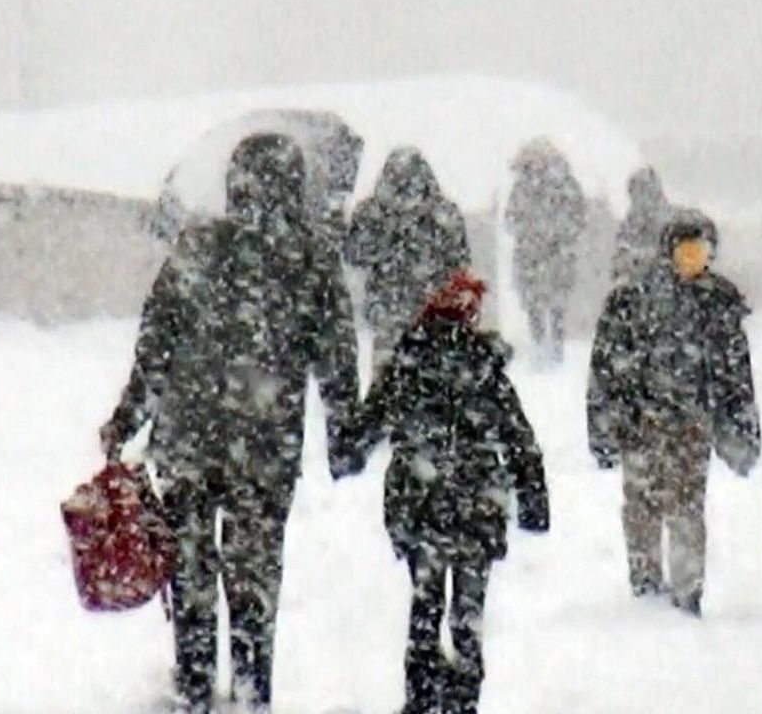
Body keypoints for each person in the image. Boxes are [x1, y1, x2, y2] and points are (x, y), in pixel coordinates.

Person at [100, 133, 360, 713]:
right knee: (253, 580)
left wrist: (128, 417)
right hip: (266, 448)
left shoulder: (197, 247)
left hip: (189, 444)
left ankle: (194, 689)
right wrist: (343, 433)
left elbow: (156, 346)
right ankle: (250, 693)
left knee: (191, 576)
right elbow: (336, 358)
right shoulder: (311, 262)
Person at [340, 269, 550, 714]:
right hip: (478, 507)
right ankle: (462, 700)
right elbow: (518, 437)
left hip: (420, 507)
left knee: (425, 606)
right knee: (468, 616)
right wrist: (533, 498)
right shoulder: (484, 366)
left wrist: (347, 453)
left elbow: (365, 428)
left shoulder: (407, 363)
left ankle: (420, 698)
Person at [586, 212, 760, 616]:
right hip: (640, 423)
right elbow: (606, 368)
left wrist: (741, 429)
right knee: (641, 506)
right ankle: (645, 586)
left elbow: (736, 376)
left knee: (686, 508)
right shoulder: (632, 299)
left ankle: (687, 593)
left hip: (691, 427)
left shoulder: (718, 304)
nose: (691, 262)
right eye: (685, 252)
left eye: (699, 253)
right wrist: (604, 425)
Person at [345, 147, 471, 369]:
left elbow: (354, 254)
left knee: (391, 386)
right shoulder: (442, 214)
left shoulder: (373, 213)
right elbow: (460, 261)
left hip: (408, 316)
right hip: (417, 317)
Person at [506, 138, 586, 363]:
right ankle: (542, 345)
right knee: (539, 303)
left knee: (551, 303)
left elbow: (578, 216)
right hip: (540, 255)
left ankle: (551, 346)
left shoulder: (560, 186)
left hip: (549, 254)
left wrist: (549, 234)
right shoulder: (526, 187)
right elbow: (511, 218)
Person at [612, 166, 676, 285]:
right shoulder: (627, 225)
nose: (643, 198)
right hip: (637, 284)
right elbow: (620, 255)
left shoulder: (671, 221)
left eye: (646, 191)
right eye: (638, 192)